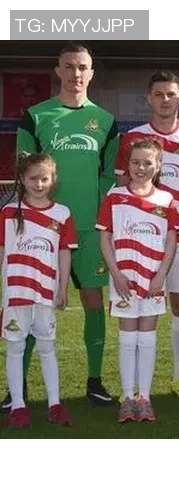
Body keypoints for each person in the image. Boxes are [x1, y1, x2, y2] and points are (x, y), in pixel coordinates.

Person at [4, 42, 119, 410]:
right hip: (40, 229)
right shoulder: (36, 116)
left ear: (92, 72)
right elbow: (24, 169)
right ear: (58, 70)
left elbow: (109, 176)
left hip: (87, 227)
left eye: (82, 66)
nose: (76, 73)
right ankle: (17, 390)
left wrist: (99, 218)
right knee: (31, 303)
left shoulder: (105, 121)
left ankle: (95, 381)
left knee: (93, 301)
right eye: (69, 66)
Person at [116, 71, 179, 402]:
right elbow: (121, 189)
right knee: (139, 312)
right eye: (159, 94)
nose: (165, 100)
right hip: (141, 240)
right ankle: (135, 387)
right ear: (149, 98)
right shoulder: (132, 137)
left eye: (171, 94)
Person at [98, 138, 178, 422]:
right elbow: (105, 238)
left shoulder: (166, 200)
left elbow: (171, 240)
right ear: (127, 164)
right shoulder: (115, 197)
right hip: (124, 280)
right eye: (135, 162)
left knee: (147, 338)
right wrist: (116, 274)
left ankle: (144, 398)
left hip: (153, 280)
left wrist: (161, 274)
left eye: (147, 162)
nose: (141, 168)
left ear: (158, 165)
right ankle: (127, 397)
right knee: (127, 338)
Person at [1, 153, 76, 428]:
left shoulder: (62, 213)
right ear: (22, 179)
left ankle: (54, 403)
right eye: (33, 178)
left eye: (44, 178)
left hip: (46, 292)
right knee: (15, 347)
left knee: (47, 347)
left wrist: (62, 286)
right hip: (16, 292)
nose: (39, 184)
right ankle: (18, 406)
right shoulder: (8, 212)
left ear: (53, 180)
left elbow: (64, 252)